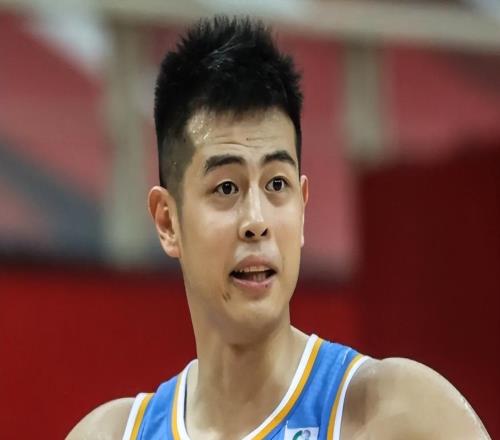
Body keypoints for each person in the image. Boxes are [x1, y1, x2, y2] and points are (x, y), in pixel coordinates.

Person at [67, 16, 491, 440]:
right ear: (167, 221)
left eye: (276, 185)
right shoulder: (110, 435)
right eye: (226, 188)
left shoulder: (399, 416)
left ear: (302, 207)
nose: (257, 221)